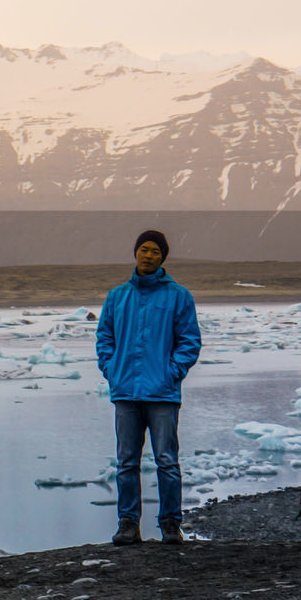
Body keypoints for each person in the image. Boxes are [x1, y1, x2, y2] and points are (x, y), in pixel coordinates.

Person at [95, 229, 202, 545]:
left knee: (167, 460)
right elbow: (105, 338)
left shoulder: (178, 296)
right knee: (127, 461)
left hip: (162, 393)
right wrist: (112, 370)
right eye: (144, 249)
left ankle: (171, 523)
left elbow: (189, 341)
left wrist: (172, 373)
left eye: (156, 251)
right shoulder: (117, 297)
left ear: (162, 257)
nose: (149, 255)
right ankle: (128, 524)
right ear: (136, 252)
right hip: (126, 391)